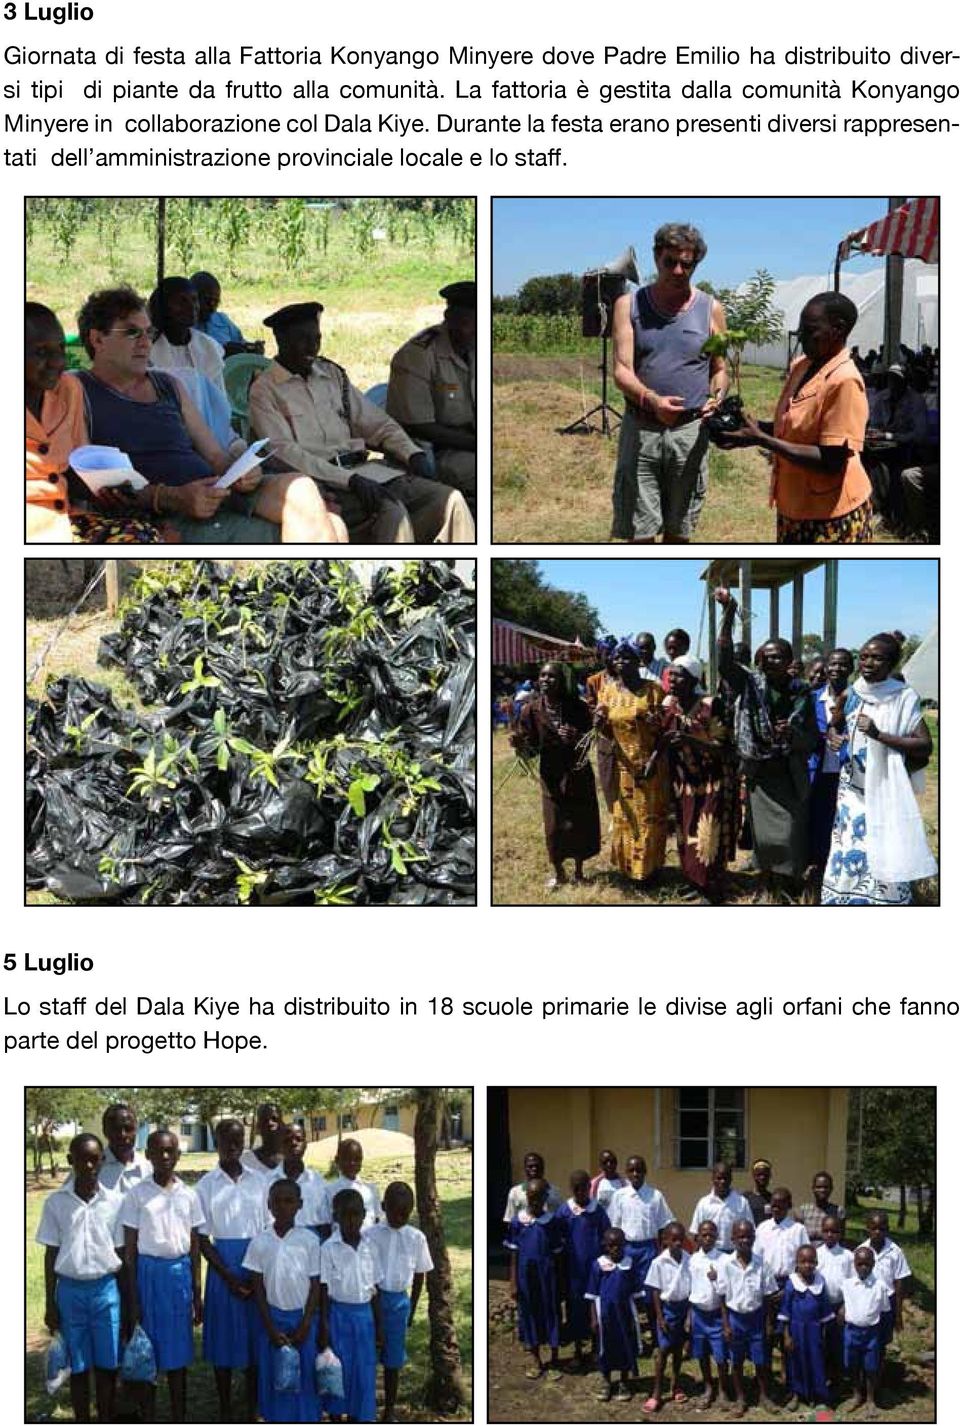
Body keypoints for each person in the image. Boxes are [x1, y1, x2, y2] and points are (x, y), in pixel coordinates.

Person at [72, 288, 346, 544]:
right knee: (331, 525)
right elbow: (91, 484)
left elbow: (215, 455)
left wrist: (242, 471)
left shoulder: (168, 385)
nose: (145, 343)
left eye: (148, 332)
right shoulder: (79, 391)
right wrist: (171, 498)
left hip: (217, 489)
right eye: (132, 333)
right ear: (98, 339)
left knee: (301, 487)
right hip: (169, 512)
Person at [247, 301, 474, 543]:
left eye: (317, 338)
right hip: (323, 482)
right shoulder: (265, 390)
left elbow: (375, 423)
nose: (312, 347)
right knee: (392, 513)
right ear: (281, 339)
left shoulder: (331, 375)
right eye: (302, 339)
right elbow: (286, 453)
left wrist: (411, 453)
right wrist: (348, 480)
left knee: (450, 501)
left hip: (367, 472)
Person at [720, 291, 873, 543]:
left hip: (831, 516)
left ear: (838, 329)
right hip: (796, 507)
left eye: (810, 329)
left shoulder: (844, 380)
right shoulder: (802, 367)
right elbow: (791, 430)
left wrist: (762, 440)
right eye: (800, 327)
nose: (800, 335)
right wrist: (752, 429)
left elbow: (831, 460)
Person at [611, 222, 728, 543]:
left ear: (695, 264)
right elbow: (622, 369)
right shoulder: (629, 306)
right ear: (656, 258)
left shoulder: (711, 310)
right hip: (642, 429)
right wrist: (652, 400)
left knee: (680, 531)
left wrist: (716, 397)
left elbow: (720, 369)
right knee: (640, 531)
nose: (678, 270)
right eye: (670, 262)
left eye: (686, 264)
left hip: (689, 434)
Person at [25, 302, 167, 545]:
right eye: (41, 352)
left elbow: (78, 466)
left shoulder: (69, 390)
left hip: (68, 519)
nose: (57, 362)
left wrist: (109, 487)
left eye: (60, 349)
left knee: (143, 535)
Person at [716, 588, 819, 903]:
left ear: (789, 661)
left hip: (789, 775)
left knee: (789, 833)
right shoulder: (749, 683)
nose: (771, 660)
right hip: (760, 774)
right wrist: (729, 612)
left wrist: (792, 735)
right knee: (763, 837)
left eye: (779, 656)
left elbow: (813, 741)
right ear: (759, 659)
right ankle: (766, 885)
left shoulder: (801, 693)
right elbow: (723, 660)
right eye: (767, 655)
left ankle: (788, 887)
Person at [821, 632, 936, 905]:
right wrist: (834, 737)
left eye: (877, 658)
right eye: (863, 657)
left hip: (885, 790)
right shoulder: (852, 693)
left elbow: (924, 746)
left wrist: (879, 734)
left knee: (884, 845)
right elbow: (834, 725)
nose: (868, 663)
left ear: (892, 664)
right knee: (849, 847)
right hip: (851, 793)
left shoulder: (903, 697)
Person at [36, 1133, 126, 1425]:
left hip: (106, 1291)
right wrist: (50, 1303)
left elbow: (122, 1255)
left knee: (107, 1364)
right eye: (82, 1159)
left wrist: (128, 1304)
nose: (89, 1165)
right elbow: (51, 1256)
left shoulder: (115, 1202)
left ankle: (107, 1416)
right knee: (78, 1366)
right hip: (70, 1293)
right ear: (70, 1161)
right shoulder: (56, 1203)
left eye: (94, 1159)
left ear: (102, 1161)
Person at [121, 1129, 204, 1424]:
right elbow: (129, 1252)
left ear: (179, 1156)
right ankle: (149, 1415)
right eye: (158, 1151)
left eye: (171, 1151)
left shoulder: (189, 1195)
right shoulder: (137, 1194)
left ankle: (179, 1414)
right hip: (148, 1276)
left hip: (178, 1276)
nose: (165, 1157)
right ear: (149, 1155)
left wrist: (197, 1292)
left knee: (178, 1353)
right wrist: (134, 1298)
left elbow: (194, 1248)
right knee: (148, 1351)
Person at [196, 1119, 268, 1425]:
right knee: (223, 1340)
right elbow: (201, 1239)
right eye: (226, 1140)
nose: (232, 1146)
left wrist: (255, 1273)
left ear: (245, 1143)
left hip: (256, 1264)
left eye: (238, 1141)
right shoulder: (205, 1185)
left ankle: (252, 1407)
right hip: (222, 1267)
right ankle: (225, 1407)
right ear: (216, 1141)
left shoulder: (259, 1181)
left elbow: (266, 1229)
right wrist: (228, 1277)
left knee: (255, 1338)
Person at [386, 279, 476, 512]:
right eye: (468, 323)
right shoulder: (418, 355)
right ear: (450, 318)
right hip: (440, 451)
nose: (475, 331)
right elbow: (417, 426)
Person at [512, 661, 601, 890]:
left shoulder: (578, 707)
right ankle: (559, 873)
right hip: (551, 776)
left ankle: (580, 872)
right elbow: (530, 750)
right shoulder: (530, 710)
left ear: (562, 681)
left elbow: (590, 739)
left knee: (580, 821)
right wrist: (520, 745)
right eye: (542, 676)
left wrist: (576, 737)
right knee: (554, 825)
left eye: (551, 676)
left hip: (577, 773)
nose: (545, 680)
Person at [660, 655, 738, 903]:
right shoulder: (670, 704)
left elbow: (723, 747)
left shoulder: (710, 705)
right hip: (684, 782)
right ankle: (695, 881)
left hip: (712, 781)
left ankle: (712, 890)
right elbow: (664, 737)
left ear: (694, 679)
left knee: (708, 835)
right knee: (686, 833)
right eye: (670, 673)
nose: (672, 679)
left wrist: (689, 740)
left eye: (679, 674)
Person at [244, 1178, 321, 1424]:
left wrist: (307, 1323)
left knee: (305, 1374)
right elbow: (257, 1287)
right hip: (272, 1319)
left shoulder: (309, 1240)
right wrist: (269, 1327)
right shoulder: (260, 1242)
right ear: (268, 1205)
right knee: (274, 1373)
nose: (283, 1206)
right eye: (277, 1201)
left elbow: (316, 1285)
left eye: (289, 1201)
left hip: (302, 1319)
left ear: (299, 1204)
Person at [594, 640, 669, 884]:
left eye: (627, 657)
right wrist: (600, 725)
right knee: (624, 818)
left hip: (650, 764)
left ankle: (649, 871)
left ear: (638, 661)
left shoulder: (653, 690)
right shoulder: (607, 690)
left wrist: (652, 762)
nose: (620, 661)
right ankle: (628, 870)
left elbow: (664, 734)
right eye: (616, 657)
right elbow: (607, 732)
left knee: (648, 817)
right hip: (621, 765)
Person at [362, 1181, 433, 1423]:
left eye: (406, 1212)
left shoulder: (416, 1238)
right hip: (371, 1301)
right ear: (383, 1207)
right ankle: (366, 1406)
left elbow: (420, 1274)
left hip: (398, 1304)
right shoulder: (369, 1235)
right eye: (395, 1211)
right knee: (369, 1357)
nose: (400, 1217)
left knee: (393, 1360)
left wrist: (411, 1308)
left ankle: (389, 1409)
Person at [319, 1188, 384, 1424]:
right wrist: (324, 1328)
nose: (351, 1220)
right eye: (345, 1215)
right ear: (335, 1217)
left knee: (363, 1373)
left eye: (356, 1214)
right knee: (339, 1373)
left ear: (364, 1215)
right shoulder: (328, 1248)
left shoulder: (370, 1247)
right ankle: (336, 1416)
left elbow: (375, 1290)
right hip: (338, 1317)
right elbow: (324, 1292)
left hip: (364, 1318)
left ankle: (359, 1416)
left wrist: (379, 1326)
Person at [716, 1219, 778, 1418]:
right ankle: (741, 1398)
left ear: (754, 1238)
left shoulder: (762, 1264)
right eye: (740, 1236)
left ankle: (763, 1396)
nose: (745, 1240)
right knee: (737, 1361)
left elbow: (768, 1296)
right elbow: (723, 1297)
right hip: (735, 1319)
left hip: (756, 1318)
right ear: (733, 1239)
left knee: (760, 1361)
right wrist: (725, 1324)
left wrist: (768, 1323)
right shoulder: (725, 1263)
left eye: (749, 1236)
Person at [504, 1178, 564, 1381]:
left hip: (548, 1277)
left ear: (545, 1198)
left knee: (551, 1312)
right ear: (526, 1198)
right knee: (530, 1314)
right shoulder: (518, 1223)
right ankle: (536, 1359)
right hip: (526, 1277)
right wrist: (513, 1282)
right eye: (531, 1198)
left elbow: (558, 1254)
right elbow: (514, 1254)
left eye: (538, 1198)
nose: (534, 1202)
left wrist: (558, 1282)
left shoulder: (552, 1222)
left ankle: (555, 1359)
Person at [807, 650, 855, 886]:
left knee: (842, 817)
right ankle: (816, 863)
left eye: (843, 664)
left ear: (851, 668)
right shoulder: (813, 698)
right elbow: (804, 731)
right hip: (817, 768)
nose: (837, 668)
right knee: (818, 815)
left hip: (848, 769)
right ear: (826, 668)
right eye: (833, 663)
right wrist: (823, 738)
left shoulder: (859, 699)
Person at [556, 1170, 610, 1368]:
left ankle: (597, 1348)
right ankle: (578, 1350)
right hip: (574, 1272)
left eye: (584, 1188)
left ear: (590, 1188)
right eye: (576, 1188)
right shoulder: (565, 1211)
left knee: (595, 1309)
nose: (581, 1192)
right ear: (572, 1189)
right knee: (575, 1311)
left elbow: (606, 1239)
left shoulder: (598, 1211)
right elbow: (559, 1240)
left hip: (594, 1270)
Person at [607, 1155, 673, 1313]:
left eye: (639, 1170)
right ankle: (630, 1328)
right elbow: (614, 1226)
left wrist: (663, 1250)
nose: (635, 1174)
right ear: (627, 1173)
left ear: (645, 1172)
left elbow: (665, 1225)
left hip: (648, 1249)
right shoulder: (619, 1196)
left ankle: (650, 1326)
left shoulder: (655, 1195)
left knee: (648, 1291)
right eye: (631, 1170)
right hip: (626, 1248)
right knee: (626, 1288)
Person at [584, 1227, 642, 1402]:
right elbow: (592, 1295)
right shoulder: (598, 1264)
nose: (615, 1249)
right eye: (611, 1245)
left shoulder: (629, 1263)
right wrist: (594, 1318)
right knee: (606, 1347)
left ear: (624, 1244)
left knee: (625, 1346)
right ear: (605, 1246)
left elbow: (636, 1292)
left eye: (618, 1245)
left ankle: (624, 1381)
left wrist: (637, 1317)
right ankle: (607, 1381)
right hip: (605, 1315)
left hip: (625, 1314)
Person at [149, 276, 227, 396]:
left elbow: (219, 399)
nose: (192, 307)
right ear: (163, 307)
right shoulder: (148, 348)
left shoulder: (208, 347)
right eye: (182, 301)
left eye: (194, 300)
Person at [644, 1221, 692, 1413]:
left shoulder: (690, 1259)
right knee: (663, 1351)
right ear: (665, 1241)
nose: (678, 1243)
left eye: (681, 1239)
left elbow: (693, 1289)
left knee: (679, 1349)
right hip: (667, 1310)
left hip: (684, 1308)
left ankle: (675, 1384)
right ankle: (656, 1392)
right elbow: (655, 1290)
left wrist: (689, 1315)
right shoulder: (659, 1262)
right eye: (674, 1240)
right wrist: (660, 1317)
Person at [777, 1244, 832, 1411]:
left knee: (816, 1361)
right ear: (797, 1263)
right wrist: (787, 1335)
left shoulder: (820, 1281)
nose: (807, 1265)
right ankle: (797, 1394)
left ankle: (819, 1396)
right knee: (796, 1362)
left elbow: (825, 1310)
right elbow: (785, 1312)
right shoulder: (791, 1283)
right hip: (797, 1330)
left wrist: (823, 1333)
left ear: (816, 1262)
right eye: (803, 1261)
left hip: (815, 1330)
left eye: (811, 1261)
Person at [688, 1220, 731, 1410]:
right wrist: (689, 1316)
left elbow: (727, 1289)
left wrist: (717, 1278)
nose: (707, 1238)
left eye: (711, 1235)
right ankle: (708, 1387)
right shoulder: (693, 1259)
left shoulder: (724, 1260)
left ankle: (723, 1389)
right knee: (702, 1354)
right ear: (698, 1236)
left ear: (717, 1237)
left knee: (720, 1356)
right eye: (704, 1235)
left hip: (716, 1314)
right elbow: (690, 1287)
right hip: (698, 1314)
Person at [838, 1247, 886, 1414]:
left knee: (871, 1367)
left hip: (871, 1333)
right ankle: (857, 1395)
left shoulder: (880, 1286)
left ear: (873, 1264)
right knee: (851, 1365)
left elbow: (884, 1309)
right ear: (854, 1264)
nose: (863, 1267)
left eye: (867, 1264)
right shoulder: (847, 1284)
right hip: (851, 1331)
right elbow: (845, 1304)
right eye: (859, 1264)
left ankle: (871, 1399)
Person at [860, 1210, 911, 1360]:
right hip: (867, 1301)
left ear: (887, 1230)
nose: (877, 1232)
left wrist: (898, 1312)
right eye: (874, 1228)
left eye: (882, 1229)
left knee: (882, 1341)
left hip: (887, 1302)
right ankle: (865, 1374)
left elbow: (899, 1281)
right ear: (867, 1229)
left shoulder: (895, 1252)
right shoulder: (861, 1251)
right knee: (866, 1338)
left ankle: (878, 1374)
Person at [268, 1124, 332, 1239]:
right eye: (287, 1140)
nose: (293, 1143)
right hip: (279, 1243)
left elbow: (326, 1223)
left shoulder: (318, 1181)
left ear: (306, 1144)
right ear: (280, 1146)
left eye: (298, 1139)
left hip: (312, 1245)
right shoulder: (268, 1181)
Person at [816, 1215, 853, 1392]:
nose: (830, 1234)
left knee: (837, 1345)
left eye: (834, 1231)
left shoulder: (847, 1256)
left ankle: (837, 1382)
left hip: (839, 1307)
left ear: (840, 1234)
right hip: (820, 1307)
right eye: (826, 1231)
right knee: (820, 1344)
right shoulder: (816, 1253)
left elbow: (853, 1283)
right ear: (822, 1232)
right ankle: (820, 1381)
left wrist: (845, 1306)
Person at [190, 270, 264, 356]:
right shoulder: (182, 326)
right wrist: (222, 352)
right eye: (207, 300)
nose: (212, 306)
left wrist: (252, 348)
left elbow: (241, 343)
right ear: (193, 298)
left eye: (216, 301)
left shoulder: (222, 320)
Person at [585, 640, 619, 816]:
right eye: (608, 655)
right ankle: (615, 816)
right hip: (606, 738)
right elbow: (591, 708)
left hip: (629, 737)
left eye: (615, 654)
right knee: (608, 780)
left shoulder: (628, 677)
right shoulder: (594, 681)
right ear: (601, 657)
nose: (612, 658)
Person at [690, 1162, 755, 1254]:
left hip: (735, 1253)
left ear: (731, 1179)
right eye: (719, 1178)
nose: (722, 1181)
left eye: (726, 1178)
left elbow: (750, 1230)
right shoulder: (704, 1203)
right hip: (711, 1253)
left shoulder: (742, 1202)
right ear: (713, 1179)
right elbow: (696, 1234)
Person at [754, 1189, 810, 1290]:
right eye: (774, 1206)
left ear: (789, 1206)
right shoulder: (762, 1228)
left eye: (780, 1206)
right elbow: (756, 1257)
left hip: (792, 1282)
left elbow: (805, 1258)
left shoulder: (798, 1229)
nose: (776, 1209)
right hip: (767, 1281)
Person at [328, 1138, 382, 1228]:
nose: (352, 1163)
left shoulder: (371, 1190)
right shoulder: (329, 1191)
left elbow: (377, 1220)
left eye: (357, 1159)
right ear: (337, 1160)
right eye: (347, 1159)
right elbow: (327, 1224)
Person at [99, 1103, 150, 1194]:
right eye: (116, 1129)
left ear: (136, 1130)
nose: (123, 1135)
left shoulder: (147, 1168)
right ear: (105, 1132)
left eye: (128, 1129)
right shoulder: (92, 1168)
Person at [503, 1152, 563, 1221]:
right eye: (530, 1166)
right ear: (525, 1169)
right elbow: (510, 1219)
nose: (534, 1169)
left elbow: (561, 1218)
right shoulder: (515, 1192)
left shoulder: (554, 1191)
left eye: (537, 1166)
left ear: (543, 1168)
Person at [796, 1172, 846, 1245]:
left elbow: (841, 1239)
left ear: (831, 1189)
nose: (822, 1190)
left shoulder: (838, 1211)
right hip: (807, 1254)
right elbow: (798, 1238)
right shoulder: (803, 1211)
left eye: (826, 1187)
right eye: (818, 1187)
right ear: (813, 1188)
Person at [240, 1104, 286, 1177]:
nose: (270, 1123)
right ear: (258, 1126)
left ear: (283, 1125)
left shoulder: (292, 1160)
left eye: (275, 1119)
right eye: (265, 1120)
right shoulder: (245, 1162)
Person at [589, 1149, 626, 1216]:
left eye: (612, 1161)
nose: (609, 1164)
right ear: (600, 1165)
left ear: (616, 1163)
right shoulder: (593, 1185)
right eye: (605, 1162)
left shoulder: (626, 1184)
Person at [744, 1160, 773, 1226]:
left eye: (765, 1175)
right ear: (754, 1176)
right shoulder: (745, 1198)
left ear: (769, 1176)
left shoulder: (772, 1198)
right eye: (759, 1174)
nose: (762, 1177)